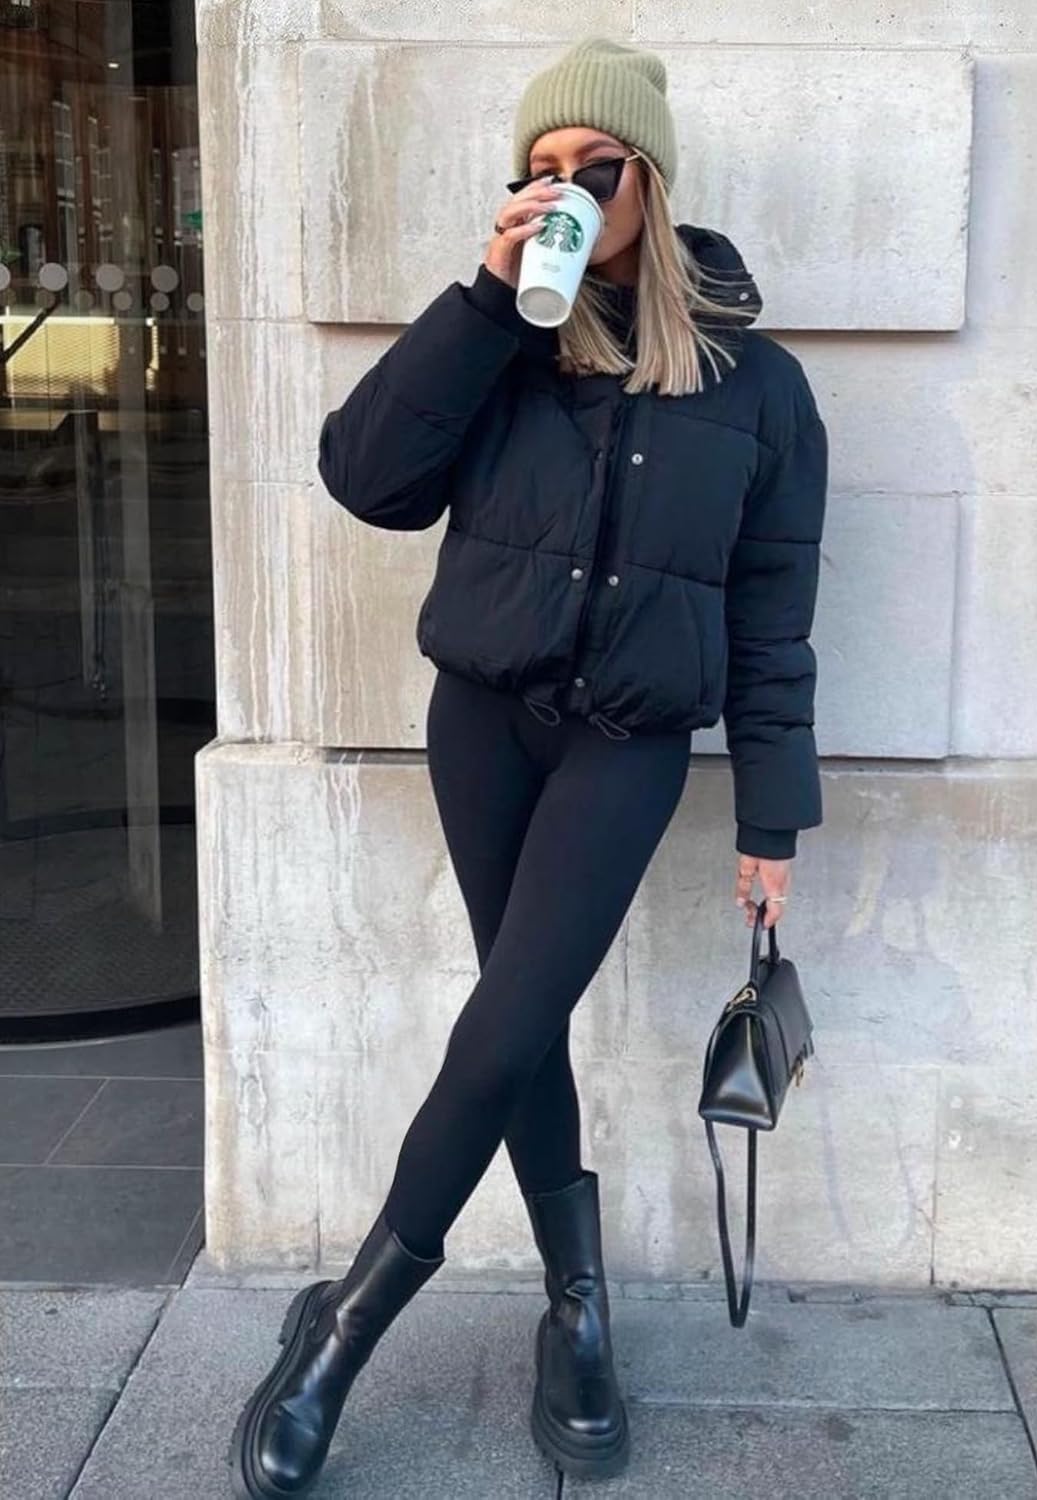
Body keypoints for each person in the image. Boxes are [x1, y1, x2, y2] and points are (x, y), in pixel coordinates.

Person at [228, 34, 828, 1499]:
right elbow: (365, 479)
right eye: (540, 169)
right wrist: (487, 296)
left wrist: (771, 817)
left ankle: (343, 1329)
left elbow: (773, 617)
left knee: (501, 1026)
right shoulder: (498, 349)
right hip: (484, 724)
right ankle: (580, 1308)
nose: (566, 188)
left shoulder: (759, 387)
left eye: (593, 167)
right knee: (524, 1020)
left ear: (650, 179)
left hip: (627, 746)